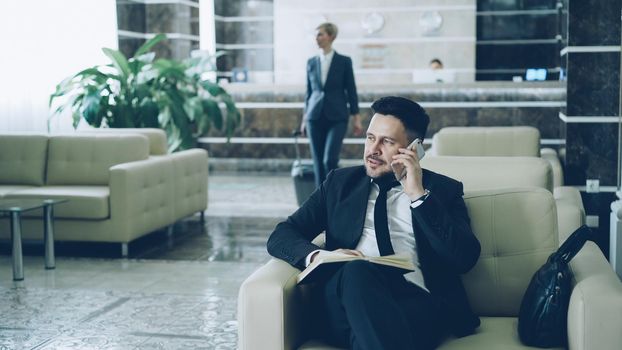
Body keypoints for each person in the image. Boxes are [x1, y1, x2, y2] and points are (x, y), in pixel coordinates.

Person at [268, 96, 481, 350]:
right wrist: (317, 256)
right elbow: (282, 235)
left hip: (415, 302)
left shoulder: (443, 190)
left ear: (413, 148)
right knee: (358, 270)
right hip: (347, 296)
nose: (373, 150)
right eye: (370, 138)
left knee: (374, 331)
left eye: (387, 141)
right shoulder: (339, 184)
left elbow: (465, 258)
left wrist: (417, 195)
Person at [301, 22, 363, 187]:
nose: (317, 37)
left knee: (330, 160)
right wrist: (304, 119)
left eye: (320, 34)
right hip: (314, 116)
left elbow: (351, 90)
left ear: (331, 37)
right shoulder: (311, 62)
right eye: (316, 34)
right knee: (318, 162)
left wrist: (356, 117)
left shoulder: (344, 61)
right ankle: (320, 202)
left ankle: (333, 196)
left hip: (337, 117)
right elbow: (308, 93)